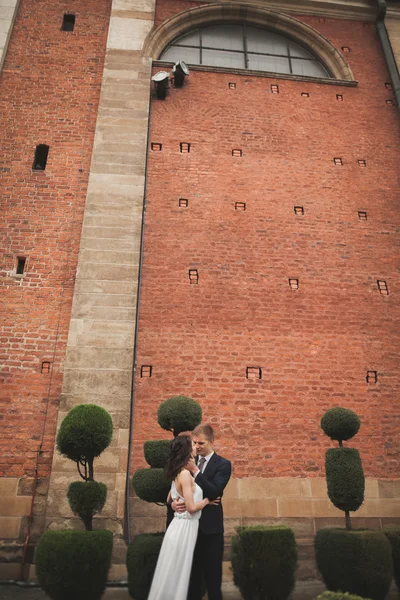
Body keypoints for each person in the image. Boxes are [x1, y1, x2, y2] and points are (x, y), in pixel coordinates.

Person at [148, 434, 212, 600]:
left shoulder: (178, 471)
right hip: (184, 528)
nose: (195, 447)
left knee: (174, 572)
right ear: (186, 450)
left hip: (179, 526)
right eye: (192, 445)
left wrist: (174, 503)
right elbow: (191, 508)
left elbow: (170, 497)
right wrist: (207, 500)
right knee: (178, 573)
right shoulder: (184, 474)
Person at [173, 424, 232, 600]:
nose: (197, 446)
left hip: (211, 531)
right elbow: (179, 490)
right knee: (191, 580)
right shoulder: (189, 461)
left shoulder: (223, 464)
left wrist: (196, 471)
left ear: (212, 441)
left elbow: (214, 491)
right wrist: (174, 504)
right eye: (195, 443)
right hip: (189, 529)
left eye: (201, 443)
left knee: (213, 580)